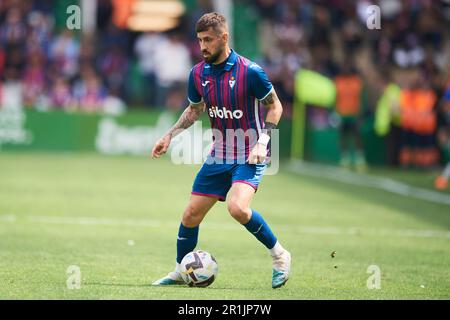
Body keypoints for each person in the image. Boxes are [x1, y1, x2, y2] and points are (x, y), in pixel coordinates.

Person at [151, 12, 291, 289]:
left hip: (250, 150)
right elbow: (194, 110)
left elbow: (275, 107)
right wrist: (170, 135)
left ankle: (280, 256)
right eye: (200, 40)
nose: (203, 46)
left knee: (237, 208)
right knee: (191, 214)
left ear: (224, 38)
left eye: (208, 40)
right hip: (220, 154)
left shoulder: (250, 71)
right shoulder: (198, 74)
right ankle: (181, 269)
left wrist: (264, 142)